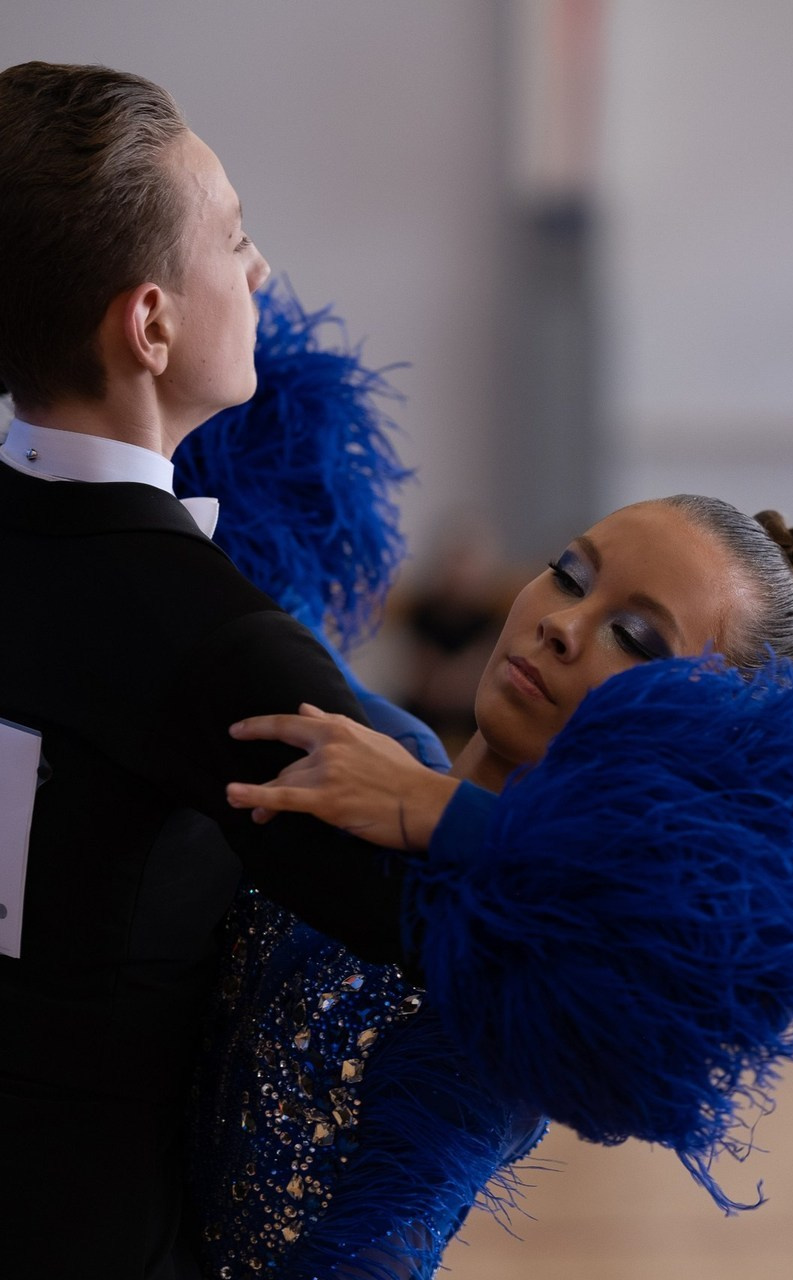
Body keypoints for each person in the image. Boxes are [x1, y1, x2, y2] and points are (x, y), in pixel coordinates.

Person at [174, 287, 793, 1279]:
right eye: (568, 570)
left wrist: (450, 819)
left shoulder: (516, 980)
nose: (562, 620)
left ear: (698, 732)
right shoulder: (377, 741)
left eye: (635, 637)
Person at [0, 61, 525, 1278]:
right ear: (149, 323)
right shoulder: (218, 643)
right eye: (234, 238)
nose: (261, 272)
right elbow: (475, 940)